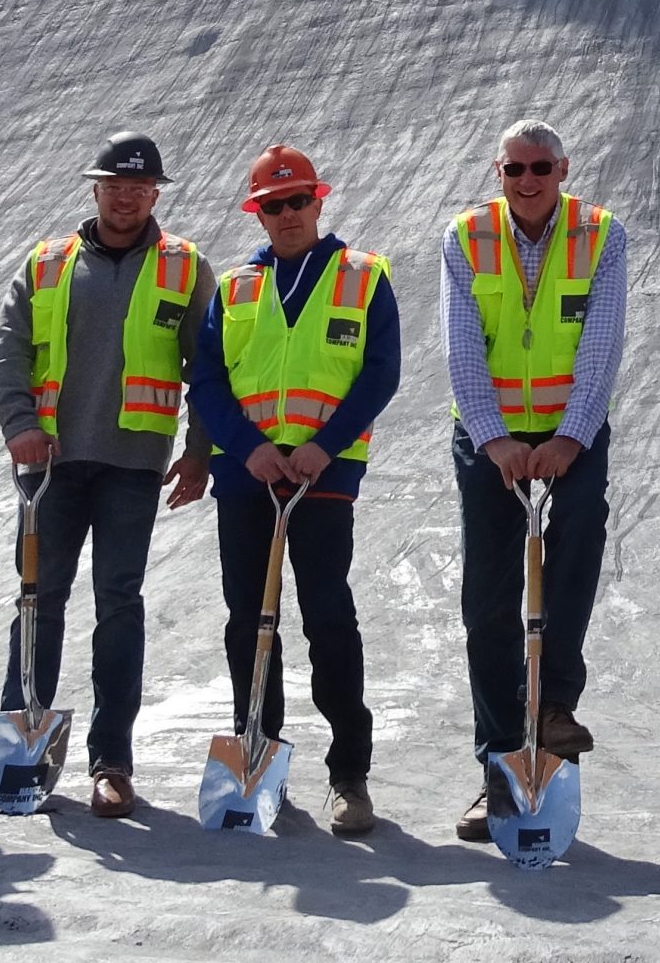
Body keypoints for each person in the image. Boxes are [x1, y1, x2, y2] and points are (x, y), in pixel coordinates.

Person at [0, 131, 213, 818]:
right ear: (94, 190)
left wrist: (199, 451)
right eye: (114, 186)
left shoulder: (186, 268)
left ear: (156, 194)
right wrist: (20, 428)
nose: (126, 199)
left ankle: (112, 765)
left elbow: (208, 371)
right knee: (37, 601)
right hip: (52, 466)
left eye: (140, 188)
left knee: (119, 605)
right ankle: (12, 757)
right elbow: (6, 355)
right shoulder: (48, 262)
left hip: (134, 467)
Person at [187, 145, 400, 836]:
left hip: (323, 476)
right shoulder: (236, 287)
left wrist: (321, 447)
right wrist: (249, 451)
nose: (286, 215)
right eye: (272, 206)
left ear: (318, 202)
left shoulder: (363, 277)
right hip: (248, 478)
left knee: (328, 618)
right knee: (248, 620)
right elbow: (210, 380)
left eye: (297, 201)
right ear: (258, 212)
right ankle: (257, 752)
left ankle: (350, 777)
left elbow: (379, 373)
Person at [444, 118, 627, 842]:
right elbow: (461, 342)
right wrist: (493, 438)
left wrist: (570, 435)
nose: (528, 181)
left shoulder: (601, 234)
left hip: (570, 434)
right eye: (515, 168)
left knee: (573, 557)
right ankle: (497, 768)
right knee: (488, 604)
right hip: (487, 438)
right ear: (498, 172)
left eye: (541, 168)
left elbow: (602, 339)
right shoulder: (466, 236)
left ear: (563, 169)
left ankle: (553, 707)